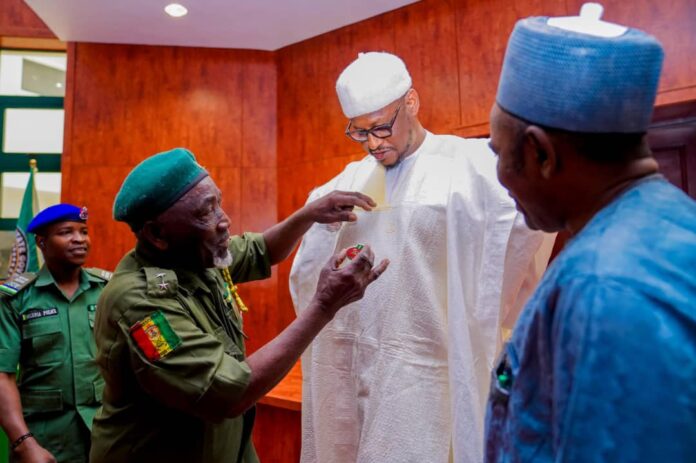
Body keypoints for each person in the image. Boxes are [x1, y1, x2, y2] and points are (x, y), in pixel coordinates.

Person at [290, 51, 555, 463]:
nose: (373, 143)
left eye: (381, 126)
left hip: (434, 372)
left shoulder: (470, 167)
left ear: (411, 102)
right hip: (358, 368)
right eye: (359, 132)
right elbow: (307, 277)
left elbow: (525, 222)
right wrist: (320, 227)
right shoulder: (346, 183)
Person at [484, 5, 696, 462]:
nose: (498, 175)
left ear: (541, 154)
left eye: (498, 153)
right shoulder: (671, 222)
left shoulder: (605, 287)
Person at [89, 148, 388, 463]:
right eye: (206, 212)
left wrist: (309, 214)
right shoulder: (140, 304)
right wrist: (324, 306)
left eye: (218, 203)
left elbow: (262, 250)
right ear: (157, 233)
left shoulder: (194, 255)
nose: (224, 221)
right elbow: (230, 392)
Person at [0, 204, 111, 463]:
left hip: (104, 435)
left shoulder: (107, 290)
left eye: (83, 231)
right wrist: (24, 444)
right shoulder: (16, 298)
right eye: (66, 232)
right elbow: (3, 375)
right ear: (41, 243)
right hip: (44, 440)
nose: (79, 239)